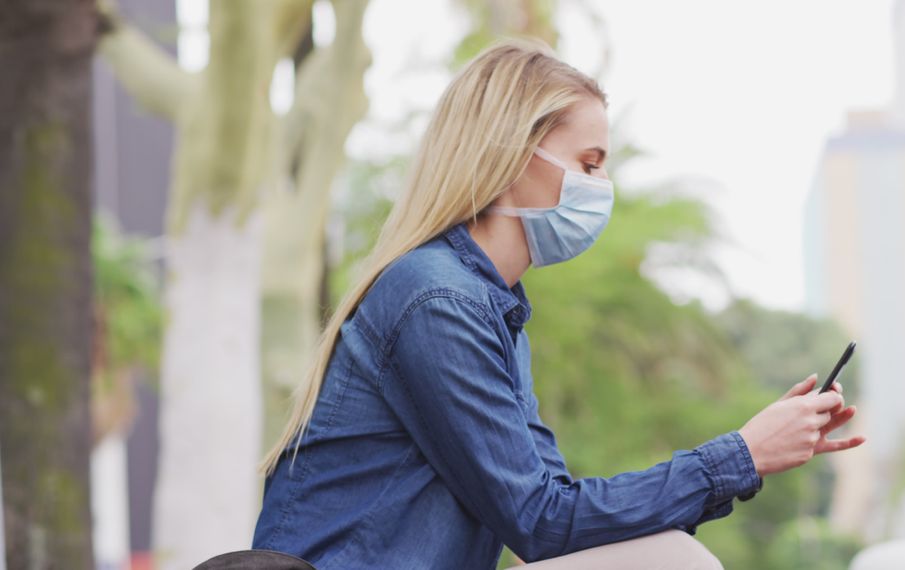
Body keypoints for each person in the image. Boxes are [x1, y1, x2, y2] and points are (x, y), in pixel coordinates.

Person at [251, 37, 865, 569]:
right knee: (674, 562)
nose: (600, 189)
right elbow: (543, 524)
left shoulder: (496, 310)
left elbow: (561, 517)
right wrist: (740, 453)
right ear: (514, 154)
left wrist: (751, 455)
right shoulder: (436, 300)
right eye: (587, 164)